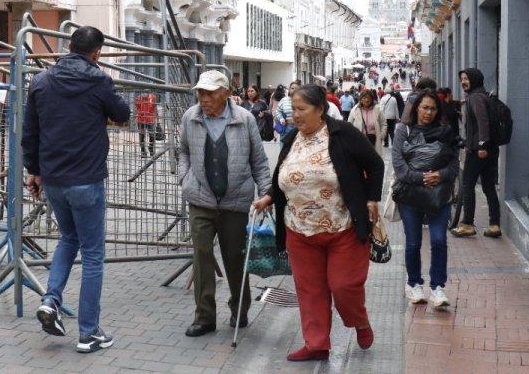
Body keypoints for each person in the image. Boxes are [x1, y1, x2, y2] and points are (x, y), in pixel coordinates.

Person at [23, 26, 131, 353]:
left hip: (54, 180)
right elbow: (123, 114)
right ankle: (88, 333)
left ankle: (51, 301)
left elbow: (30, 132)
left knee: (68, 239)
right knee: (94, 255)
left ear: (68, 46)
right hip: (86, 178)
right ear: (96, 53)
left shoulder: (41, 81)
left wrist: (34, 172)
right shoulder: (98, 80)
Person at [266, 85, 385, 362]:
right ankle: (316, 344)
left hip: (343, 226)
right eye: (293, 109)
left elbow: (376, 164)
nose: (295, 115)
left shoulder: (343, 134)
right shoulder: (291, 138)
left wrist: (372, 200)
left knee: (344, 286)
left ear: (320, 110)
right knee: (310, 291)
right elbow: (283, 177)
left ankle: (360, 321)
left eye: (301, 109)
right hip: (299, 229)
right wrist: (269, 197)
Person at [177, 70, 272, 337]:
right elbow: (183, 149)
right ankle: (204, 316)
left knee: (234, 258)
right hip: (201, 199)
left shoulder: (244, 119)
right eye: (200, 92)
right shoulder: (190, 117)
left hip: (236, 201)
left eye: (209, 93)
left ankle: (239, 309)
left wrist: (266, 192)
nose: (203, 98)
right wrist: (184, 178)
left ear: (226, 93)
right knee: (202, 256)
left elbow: (259, 160)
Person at [392, 91, 461, 308]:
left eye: (433, 108)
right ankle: (414, 283)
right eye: (424, 107)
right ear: (416, 109)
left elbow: (453, 165)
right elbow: (399, 167)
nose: (428, 113)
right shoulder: (403, 131)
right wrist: (423, 178)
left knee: (439, 240)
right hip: (410, 195)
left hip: (439, 195)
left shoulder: (446, 132)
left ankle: (437, 287)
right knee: (413, 242)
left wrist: (439, 176)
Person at [450, 68, 501, 239]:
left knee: (467, 185)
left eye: (466, 79)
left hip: (479, 151)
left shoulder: (476, 97)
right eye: (462, 79)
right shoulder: (481, 95)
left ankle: (467, 224)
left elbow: (483, 122)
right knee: (488, 187)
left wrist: (481, 145)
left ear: (475, 79)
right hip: (489, 149)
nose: (463, 82)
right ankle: (494, 225)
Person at [134, 91, 158, 157]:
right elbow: (137, 108)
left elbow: (155, 108)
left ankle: (151, 148)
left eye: (146, 93)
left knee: (152, 135)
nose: (144, 94)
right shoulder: (138, 98)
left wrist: (156, 118)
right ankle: (143, 151)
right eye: (143, 93)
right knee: (141, 136)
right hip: (141, 119)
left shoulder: (153, 98)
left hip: (150, 119)